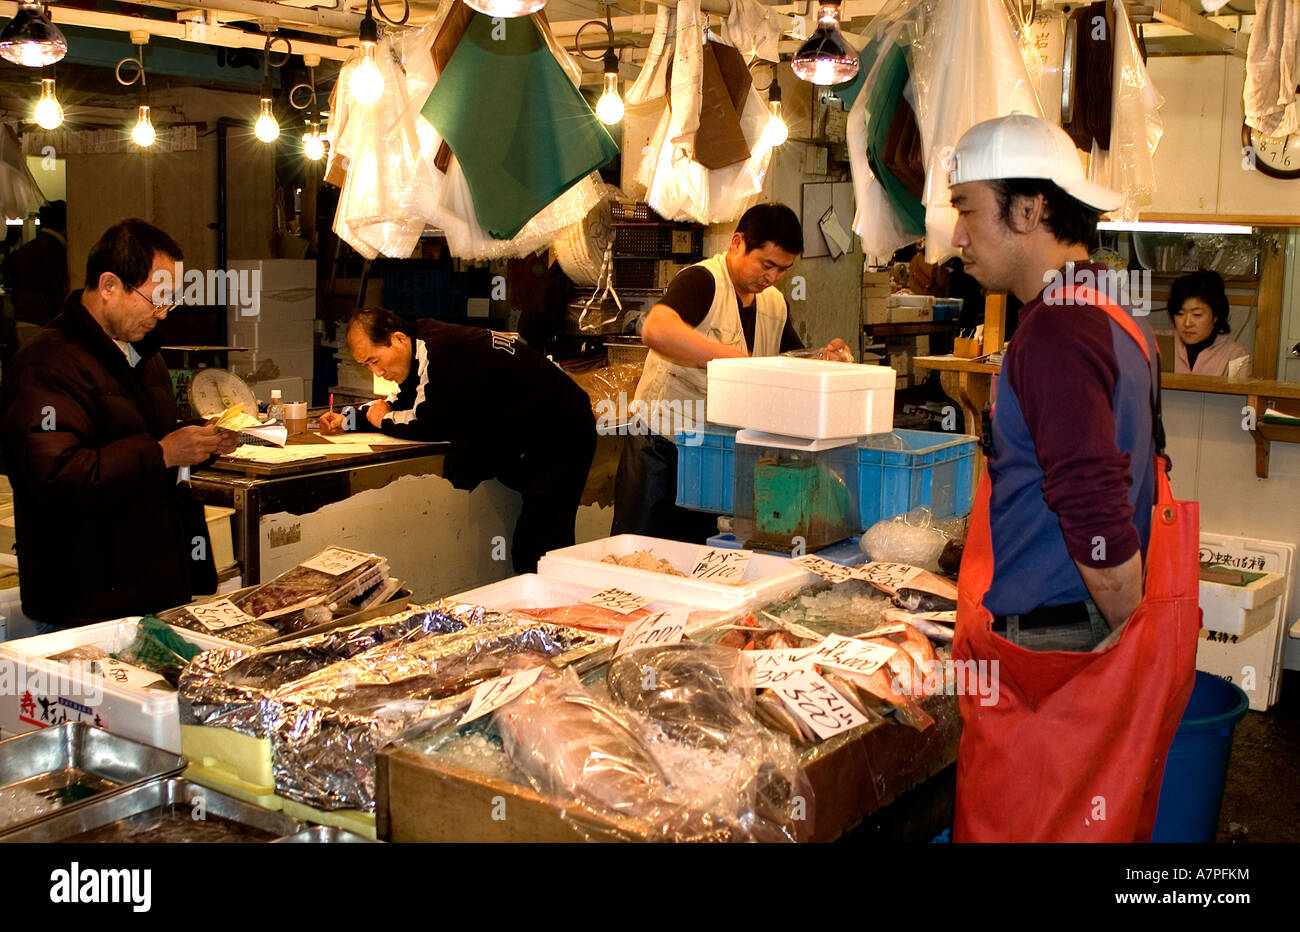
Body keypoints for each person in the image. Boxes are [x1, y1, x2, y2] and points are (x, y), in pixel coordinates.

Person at [946, 114, 1198, 842]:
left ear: (1030, 209)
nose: (956, 235)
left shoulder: (1053, 332)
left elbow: (1095, 512)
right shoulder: (1116, 314)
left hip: (1054, 660)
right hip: (1086, 635)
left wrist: (1121, 636)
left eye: (967, 208)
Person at [0, 219, 238, 630]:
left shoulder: (144, 356)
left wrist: (199, 443)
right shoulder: (45, 364)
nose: (163, 313)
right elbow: (54, 477)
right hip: (86, 600)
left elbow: (139, 442)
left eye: (171, 300)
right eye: (156, 299)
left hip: (150, 587)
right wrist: (163, 452)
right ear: (109, 286)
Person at [612, 202, 850, 543]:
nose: (772, 278)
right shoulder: (702, 281)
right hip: (661, 450)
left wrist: (825, 361)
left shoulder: (773, 303)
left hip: (715, 457)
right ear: (737, 243)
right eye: (766, 265)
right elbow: (656, 330)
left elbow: (790, 363)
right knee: (636, 556)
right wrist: (728, 358)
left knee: (698, 557)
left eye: (783, 270)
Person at [319, 308, 595, 573]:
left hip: (561, 432)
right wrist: (348, 419)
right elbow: (401, 403)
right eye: (366, 365)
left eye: (374, 361)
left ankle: (553, 615)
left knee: (538, 549)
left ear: (398, 338)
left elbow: (428, 422)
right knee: (536, 545)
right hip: (530, 437)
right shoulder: (421, 347)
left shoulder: (441, 351)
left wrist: (382, 420)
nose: (376, 373)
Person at [3, 200, 69, 348]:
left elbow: (14, 287)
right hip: (46, 321)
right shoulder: (59, 252)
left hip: (22, 321)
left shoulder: (25, 250)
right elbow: (57, 291)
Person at [1167, 269, 1250, 377]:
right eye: (1180, 313)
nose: (1187, 323)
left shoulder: (1236, 357)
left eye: (1197, 315)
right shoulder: (1158, 344)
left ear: (1215, 315)